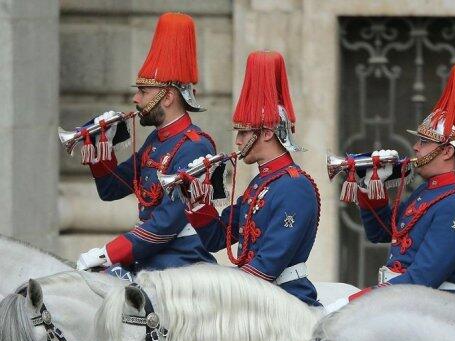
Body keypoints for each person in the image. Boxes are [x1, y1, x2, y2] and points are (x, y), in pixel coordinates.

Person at [328, 62, 455, 311]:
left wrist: (355, 303)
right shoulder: (430, 190)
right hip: (407, 304)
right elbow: (382, 233)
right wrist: (371, 184)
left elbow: (421, 280)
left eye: (424, 142)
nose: (415, 147)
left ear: (447, 151)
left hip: (436, 312)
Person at [75, 12, 216, 275]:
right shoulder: (155, 140)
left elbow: (166, 224)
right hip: (151, 258)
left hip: (181, 263)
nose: (136, 99)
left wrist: (108, 253)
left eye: (143, 91)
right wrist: (99, 146)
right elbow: (111, 189)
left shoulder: (195, 146)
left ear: (168, 97)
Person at [184, 51, 321, 306]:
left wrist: (219, 290)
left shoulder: (294, 186)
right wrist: (197, 200)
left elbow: (267, 265)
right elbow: (217, 238)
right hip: (254, 296)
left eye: (244, 132)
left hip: (285, 300)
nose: (237, 140)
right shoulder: (260, 184)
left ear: (267, 133)